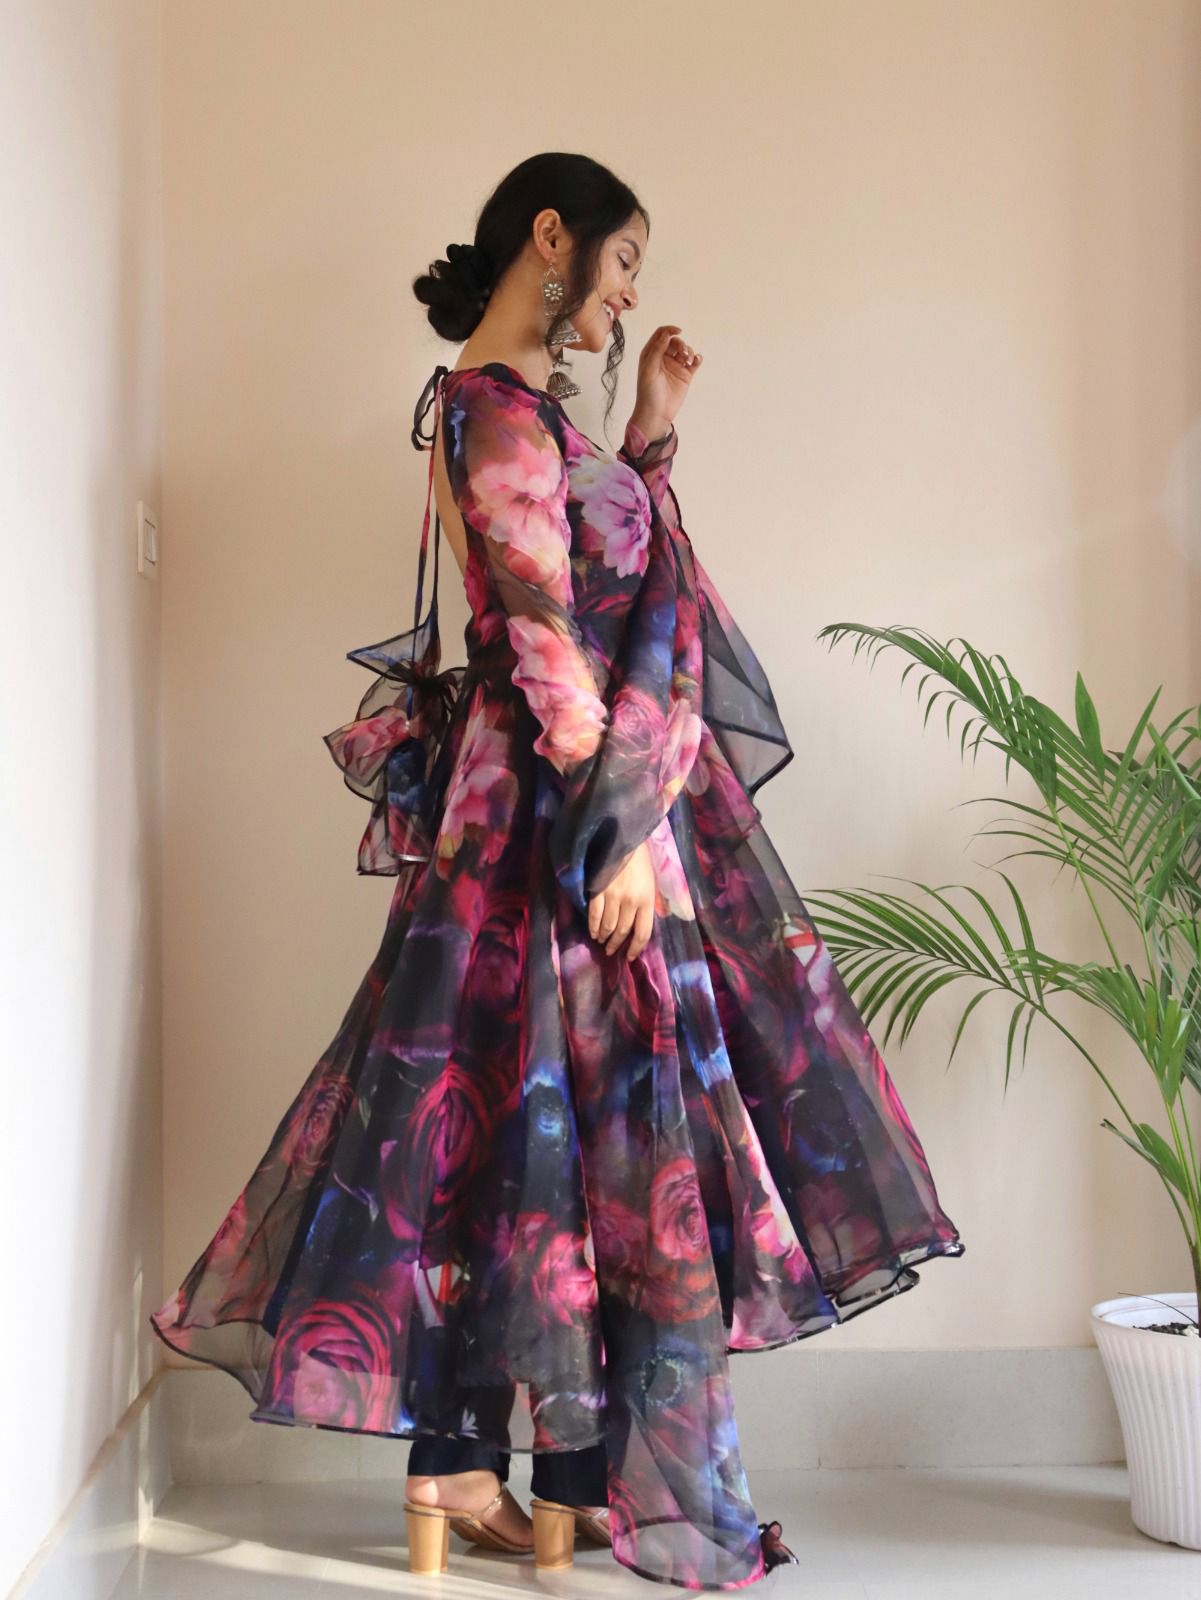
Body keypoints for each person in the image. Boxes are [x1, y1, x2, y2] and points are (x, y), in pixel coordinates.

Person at [149, 152, 964, 1591]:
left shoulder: (521, 413)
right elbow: (543, 636)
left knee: (538, 1132)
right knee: (545, 1128)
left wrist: (650, 431)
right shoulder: (487, 410)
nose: (630, 292)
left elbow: (604, 572)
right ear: (552, 239)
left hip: (553, 806)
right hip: (554, 817)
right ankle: (496, 1470)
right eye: (623, 259)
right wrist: (630, 831)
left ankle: (503, 1472)